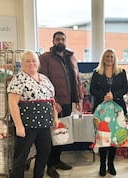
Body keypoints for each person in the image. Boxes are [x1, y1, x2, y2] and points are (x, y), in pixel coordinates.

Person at [7, 50, 59, 178]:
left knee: (44, 152)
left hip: (44, 125)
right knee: (21, 156)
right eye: (27, 61)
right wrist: (19, 125)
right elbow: (13, 103)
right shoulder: (18, 79)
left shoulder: (44, 78)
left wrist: (55, 117)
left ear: (38, 62)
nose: (31, 63)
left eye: (34, 60)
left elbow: (52, 101)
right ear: (22, 63)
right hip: (27, 125)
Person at [39, 31, 82, 178]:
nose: (60, 41)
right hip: (54, 104)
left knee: (62, 133)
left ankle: (57, 160)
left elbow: (77, 80)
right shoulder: (45, 58)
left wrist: (79, 99)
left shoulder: (71, 57)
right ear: (53, 41)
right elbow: (43, 82)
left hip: (68, 102)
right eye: (57, 39)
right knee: (53, 135)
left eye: (63, 39)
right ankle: (50, 165)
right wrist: (54, 102)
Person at [90, 49, 128, 177]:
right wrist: (105, 95)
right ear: (103, 58)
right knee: (103, 138)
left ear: (115, 58)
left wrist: (114, 95)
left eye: (112, 56)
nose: (109, 58)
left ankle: (111, 164)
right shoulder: (96, 73)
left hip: (117, 109)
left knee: (114, 137)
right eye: (107, 56)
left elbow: (125, 88)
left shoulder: (121, 72)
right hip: (101, 110)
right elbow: (92, 90)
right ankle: (102, 165)